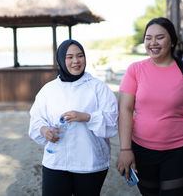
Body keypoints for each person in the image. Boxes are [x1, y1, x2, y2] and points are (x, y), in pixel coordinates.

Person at [116, 17, 183, 195]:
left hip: (179, 152)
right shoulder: (135, 70)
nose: (153, 43)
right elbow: (125, 110)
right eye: (148, 38)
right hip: (141, 151)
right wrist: (125, 149)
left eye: (159, 37)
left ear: (172, 41)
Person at [29, 39, 118, 196]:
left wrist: (86, 117)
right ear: (61, 60)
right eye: (69, 57)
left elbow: (112, 121)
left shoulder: (98, 87)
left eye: (80, 56)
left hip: (90, 162)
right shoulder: (49, 90)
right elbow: (36, 119)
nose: (76, 61)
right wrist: (44, 130)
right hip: (56, 162)